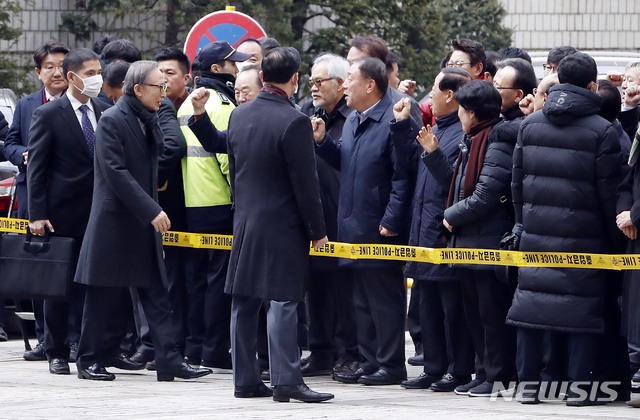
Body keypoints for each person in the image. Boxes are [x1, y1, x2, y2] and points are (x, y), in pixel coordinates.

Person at [73, 60, 212, 382]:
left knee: (157, 295)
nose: (164, 93)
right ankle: (88, 359)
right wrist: (151, 210)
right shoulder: (111, 120)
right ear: (137, 89)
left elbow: (164, 153)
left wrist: (159, 117)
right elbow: (115, 173)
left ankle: (169, 360)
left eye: (165, 87)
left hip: (141, 224)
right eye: (158, 87)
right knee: (102, 296)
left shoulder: (147, 117)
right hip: (115, 222)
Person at [507, 52, 622, 406]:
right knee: (581, 310)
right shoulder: (602, 131)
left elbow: (516, 185)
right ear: (592, 86)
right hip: (584, 237)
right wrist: (612, 238)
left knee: (530, 307)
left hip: (535, 233)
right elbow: (608, 193)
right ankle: (578, 389)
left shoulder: (530, 124)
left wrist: (522, 223)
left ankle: (527, 386)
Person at [224, 46, 333, 403]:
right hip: (282, 224)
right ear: (295, 79)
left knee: (243, 300)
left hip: (244, 220)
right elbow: (306, 184)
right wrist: (317, 231)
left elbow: (236, 171)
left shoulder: (238, 116)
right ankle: (287, 381)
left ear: (261, 77)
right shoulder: (294, 120)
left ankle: (245, 380)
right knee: (283, 300)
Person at [314, 57, 412, 386]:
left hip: (379, 226)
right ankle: (370, 362)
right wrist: (322, 142)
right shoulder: (356, 118)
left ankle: (391, 364)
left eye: (349, 80)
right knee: (361, 301)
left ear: (370, 85)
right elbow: (345, 159)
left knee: (383, 300)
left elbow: (403, 177)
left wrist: (392, 219)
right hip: (353, 225)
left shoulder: (395, 117)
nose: (344, 86)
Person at [421, 80, 518, 397]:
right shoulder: (472, 139)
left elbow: (486, 196)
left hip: (488, 243)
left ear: (473, 113)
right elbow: (458, 184)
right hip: (467, 244)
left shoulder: (497, 141)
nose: (459, 113)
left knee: (491, 316)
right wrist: (435, 156)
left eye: (462, 109)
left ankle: (498, 376)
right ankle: (483, 373)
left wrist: (450, 216)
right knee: (474, 315)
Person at [27, 48, 112, 375]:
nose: (97, 79)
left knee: (91, 284)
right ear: (73, 76)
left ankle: (86, 345)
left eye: (99, 72)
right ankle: (57, 350)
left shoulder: (104, 110)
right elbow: (38, 168)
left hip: (100, 212)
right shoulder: (50, 114)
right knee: (59, 287)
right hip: (62, 213)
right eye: (90, 73)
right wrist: (37, 213)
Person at [392, 68, 475, 392]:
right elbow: (409, 164)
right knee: (426, 306)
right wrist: (403, 128)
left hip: (442, 234)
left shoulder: (461, 134)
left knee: (450, 310)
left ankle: (458, 369)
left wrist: (433, 152)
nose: (430, 99)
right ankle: (432, 367)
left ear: (450, 96)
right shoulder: (437, 127)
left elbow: (456, 183)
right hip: (421, 231)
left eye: (435, 92)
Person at [177, 40, 250, 370]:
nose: (237, 69)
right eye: (233, 64)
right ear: (218, 70)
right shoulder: (223, 106)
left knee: (194, 282)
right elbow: (227, 161)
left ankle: (193, 348)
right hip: (219, 203)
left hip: (190, 205)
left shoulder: (185, 106)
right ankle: (214, 349)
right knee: (219, 284)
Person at [301, 53, 359, 378]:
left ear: (340, 82)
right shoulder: (308, 115)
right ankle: (320, 351)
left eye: (319, 81)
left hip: (343, 216)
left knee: (344, 290)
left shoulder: (353, 119)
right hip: (315, 216)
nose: (314, 87)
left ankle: (349, 353)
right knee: (317, 288)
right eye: (311, 81)